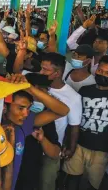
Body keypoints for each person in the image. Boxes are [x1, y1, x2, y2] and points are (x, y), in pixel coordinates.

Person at [61, 55, 108, 190]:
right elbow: (74, 118)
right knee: (71, 178)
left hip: (102, 150)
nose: (102, 74)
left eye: (107, 73)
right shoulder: (85, 90)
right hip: (79, 144)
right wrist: (69, 142)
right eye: (100, 70)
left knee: (93, 184)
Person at [39, 52, 82, 189]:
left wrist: (71, 148)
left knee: (46, 183)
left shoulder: (72, 97)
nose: (40, 72)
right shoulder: (37, 86)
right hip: (31, 146)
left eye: (45, 69)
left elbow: (74, 126)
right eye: (41, 68)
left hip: (51, 149)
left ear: (57, 73)